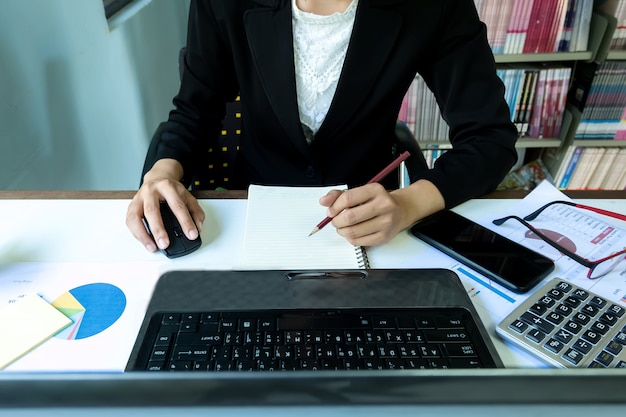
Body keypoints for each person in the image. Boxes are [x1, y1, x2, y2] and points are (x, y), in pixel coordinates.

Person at [126, 0, 518, 253]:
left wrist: (408, 204)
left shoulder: (434, 6)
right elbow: (196, 109)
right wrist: (162, 172)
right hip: (256, 208)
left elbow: (490, 139)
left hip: (370, 218)